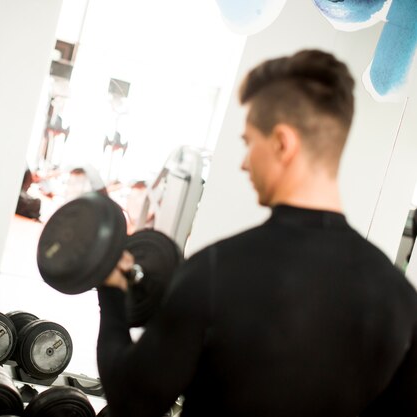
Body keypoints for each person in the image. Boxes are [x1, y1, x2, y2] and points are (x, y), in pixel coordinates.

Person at [96, 49, 417, 416]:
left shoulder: (214, 271)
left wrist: (112, 298)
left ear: (283, 143)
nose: (244, 162)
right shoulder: (401, 301)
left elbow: (132, 401)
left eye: (249, 142)